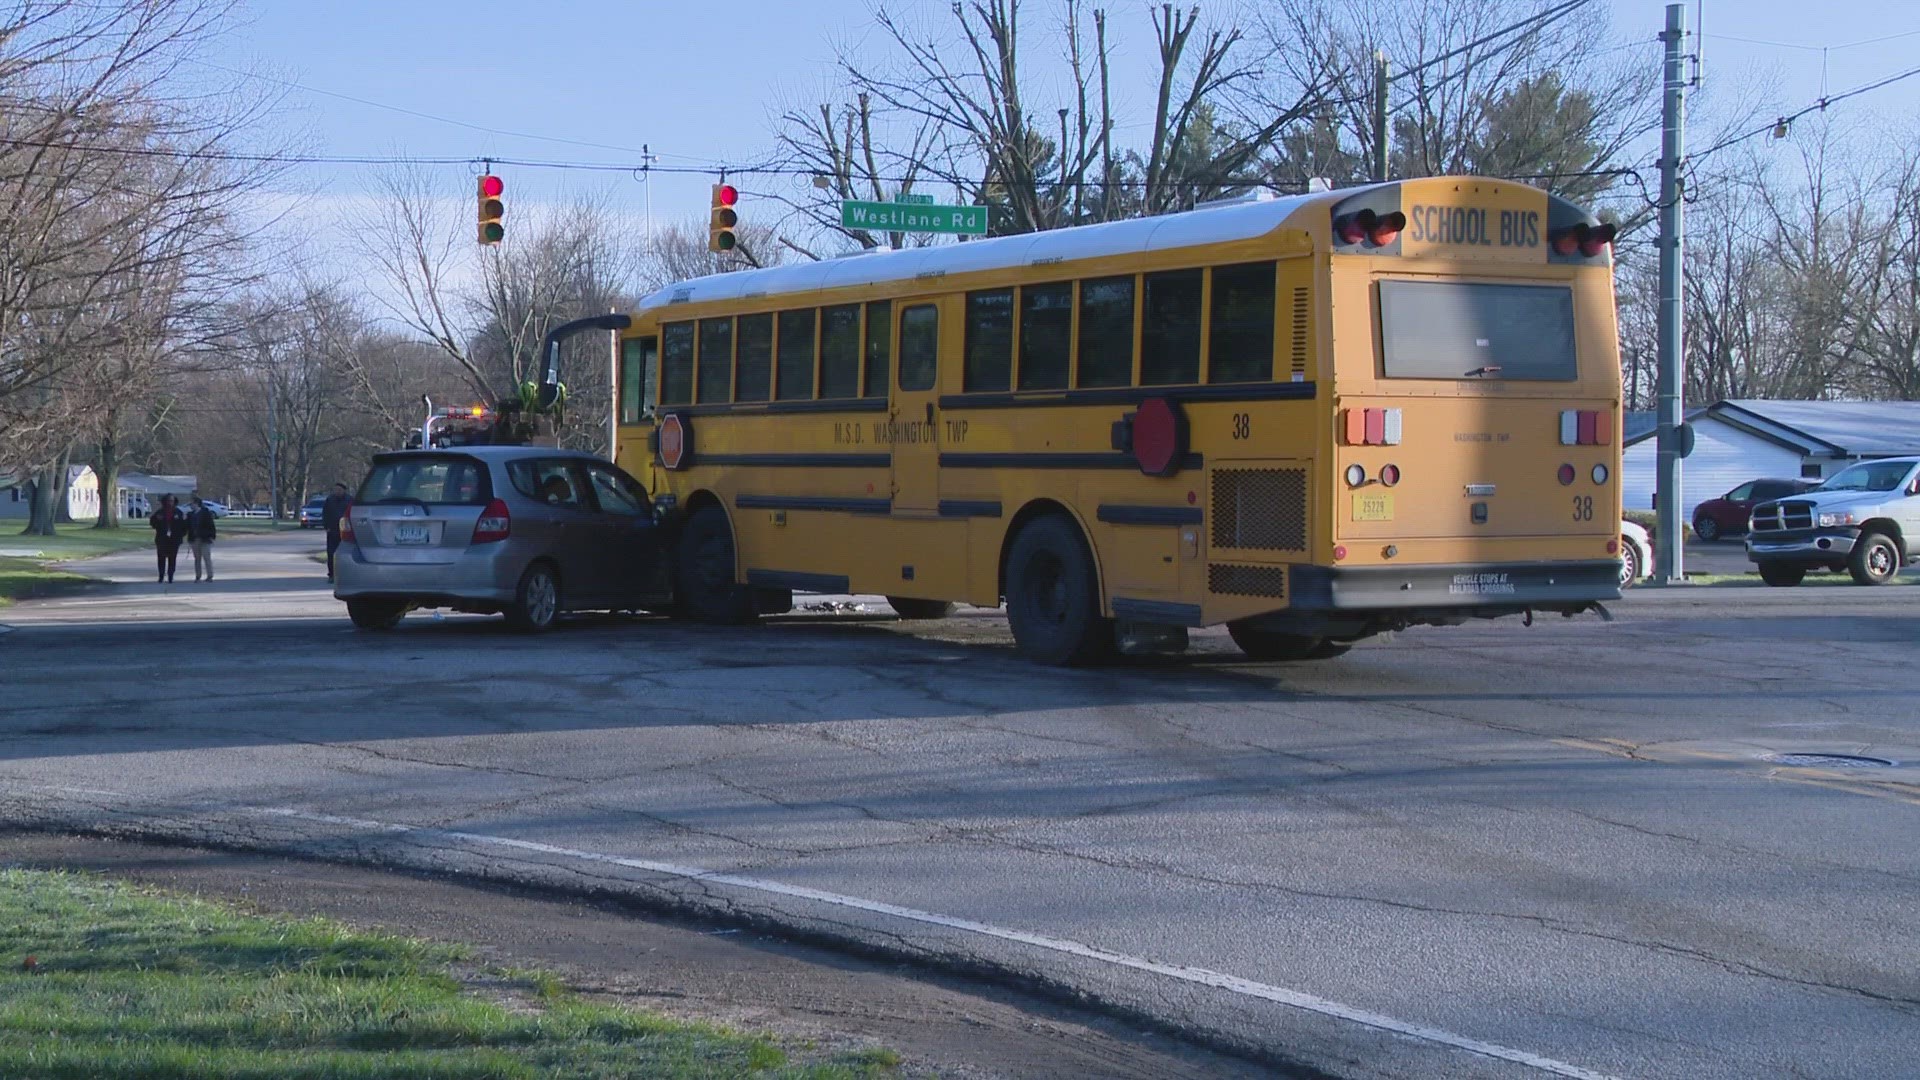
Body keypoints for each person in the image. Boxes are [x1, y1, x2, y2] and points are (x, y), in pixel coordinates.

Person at [149, 494, 188, 584]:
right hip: (162, 539)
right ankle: (161, 576)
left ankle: (171, 576)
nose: (170, 503)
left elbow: (184, 526)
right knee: (161, 558)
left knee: (172, 558)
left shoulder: (178, 512)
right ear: (165, 501)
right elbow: (153, 523)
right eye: (169, 501)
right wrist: (157, 520)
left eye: (172, 501)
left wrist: (180, 535)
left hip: (174, 539)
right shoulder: (160, 512)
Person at [321, 482, 351, 582]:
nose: (337, 492)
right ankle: (331, 575)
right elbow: (325, 513)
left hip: (346, 531)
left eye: (339, 490)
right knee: (331, 553)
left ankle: (346, 575)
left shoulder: (350, 500)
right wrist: (326, 526)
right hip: (332, 530)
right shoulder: (330, 500)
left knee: (346, 554)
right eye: (335, 490)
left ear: (344, 490)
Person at [186, 494, 218, 582]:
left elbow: (211, 526)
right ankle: (198, 576)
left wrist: (212, 537)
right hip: (194, 539)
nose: (191, 506)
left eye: (192, 504)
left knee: (206, 557)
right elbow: (187, 527)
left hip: (205, 539)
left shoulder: (205, 513)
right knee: (197, 558)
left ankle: (210, 575)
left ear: (196, 504)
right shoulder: (190, 515)